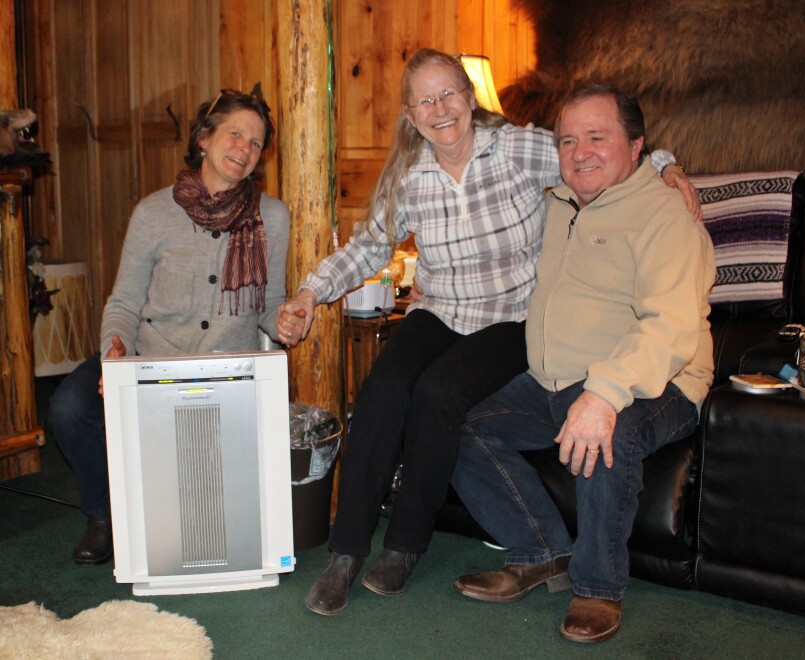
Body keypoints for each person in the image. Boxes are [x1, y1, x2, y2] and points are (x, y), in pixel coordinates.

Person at [276, 48, 699, 616]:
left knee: (439, 396)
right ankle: (346, 552)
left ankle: (404, 547)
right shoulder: (410, 176)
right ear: (410, 115)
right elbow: (369, 246)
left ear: (470, 98)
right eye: (425, 100)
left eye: (449, 93)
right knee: (381, 391)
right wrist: (309, 292)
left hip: (508, 318)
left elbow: (595, 152)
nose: (440, 108)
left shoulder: (521, 151)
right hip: (441, 310)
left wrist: (667, 165)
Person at [449, 83, 716, 643]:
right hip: (555, 379)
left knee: (608, 435)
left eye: (598, 137)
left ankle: (598, 586)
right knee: (462, 427)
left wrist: (604, 393)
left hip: (659, 380)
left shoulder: (666, 214)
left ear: (636, 146)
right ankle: (542, 550)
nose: (580, 151)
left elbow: (670, 327)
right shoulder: (557, 201)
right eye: (568, 140)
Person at [48, 86, 290, 565]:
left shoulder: (273, 218)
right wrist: (114, 347)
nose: (244, 148)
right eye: (235, 133)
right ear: (204, 137)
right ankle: (104, 515)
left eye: (256, 142)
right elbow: (124, 301)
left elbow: (271, 304)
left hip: (224, 370)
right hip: (149, 359)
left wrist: (288, 320)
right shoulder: (153, 212)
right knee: (69, 406)